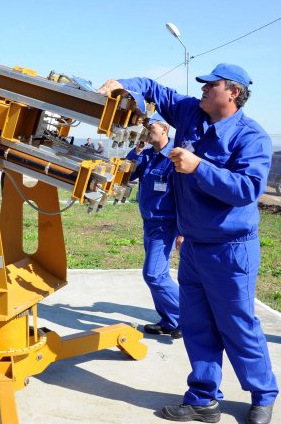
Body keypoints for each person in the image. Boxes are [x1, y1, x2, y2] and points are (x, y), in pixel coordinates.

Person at [99, 64, 278, 424]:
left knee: (238, 325)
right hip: (195, 246)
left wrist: (199, 167)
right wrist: (122, 84)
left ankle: (263, 395)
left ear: (233, 93)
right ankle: (203, 399)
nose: (203, 89)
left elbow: (246, 189)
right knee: (197, 326)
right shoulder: (190, 113)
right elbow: (154, 89)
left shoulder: (251, 137)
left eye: (211, 85)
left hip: (231, 249)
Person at [126, 112, 182, 339]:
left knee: (153, 275)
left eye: (151, 129)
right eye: (145, 129)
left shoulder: (175, 158)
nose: (147, 133)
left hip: (165, 226)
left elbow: (184, 198)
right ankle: (170, 321)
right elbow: (128, 175)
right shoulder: (147, 155)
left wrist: (182, 231)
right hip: (149, 224)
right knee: (159, 275)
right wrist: (137, 151)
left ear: (165, 129)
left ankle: (189, 317)